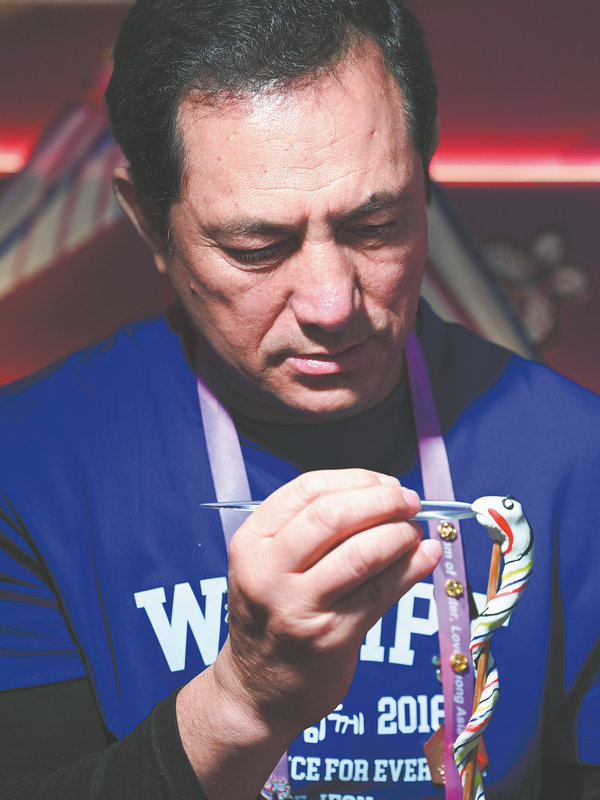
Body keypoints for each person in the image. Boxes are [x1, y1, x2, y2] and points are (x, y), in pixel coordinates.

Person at [1, 1, 599, 798]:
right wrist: (243, 702)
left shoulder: (577, 457)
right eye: (257, 247)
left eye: (377, 225)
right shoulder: (27, 470)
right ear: (149, 225)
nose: (331, 303)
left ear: (425, 185)